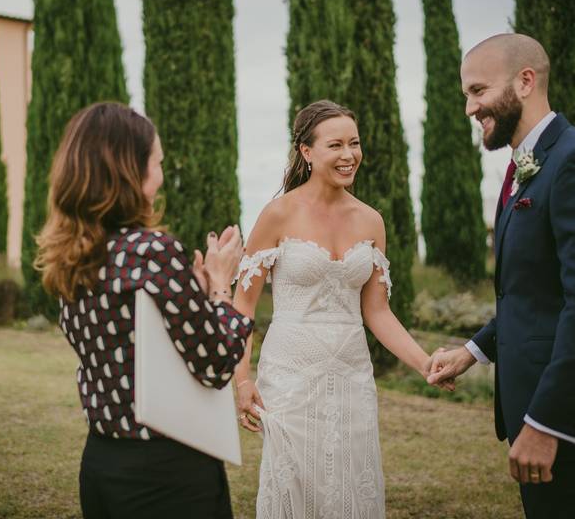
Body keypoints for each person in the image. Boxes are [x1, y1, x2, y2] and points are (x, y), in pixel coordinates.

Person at [427, 33, 575, 518]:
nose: (469, 107)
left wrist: (547, 423)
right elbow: (528, 291)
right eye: (467, 94)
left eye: (478, 91)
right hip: (536, 409)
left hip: (573, 420)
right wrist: (471, 352)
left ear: (525, 81)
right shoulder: (525, 167)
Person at [232, 100, 452, 518]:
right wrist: (243, 380)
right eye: (336, 145)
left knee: (351, 486)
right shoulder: (277, 214)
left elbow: (378, 312)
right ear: (307, 151)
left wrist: (425, 363)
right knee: (293, 484)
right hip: (290, 377)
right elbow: (243, 306)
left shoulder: (371, 221)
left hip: (351, 377)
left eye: (354, 143)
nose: (349, 155)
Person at [35, 101, 254, 519]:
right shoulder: (151, 252)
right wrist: (222, 285)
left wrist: (199, 293)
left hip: (101, 462)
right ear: (130, 171)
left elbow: (136, 343)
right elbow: (216, 363)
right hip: (167, 473)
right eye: (157, 164)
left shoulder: (71, 258)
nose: (161, 177)